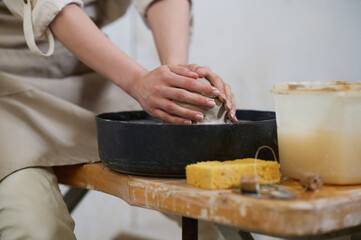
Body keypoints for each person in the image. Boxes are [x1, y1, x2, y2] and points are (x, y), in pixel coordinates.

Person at [0, 0, 237, 239]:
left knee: (214, 210)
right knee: (34, 227)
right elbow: (50, 5)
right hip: (7, 85)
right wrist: (136, 81)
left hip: (88, 73)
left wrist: (177, 79)